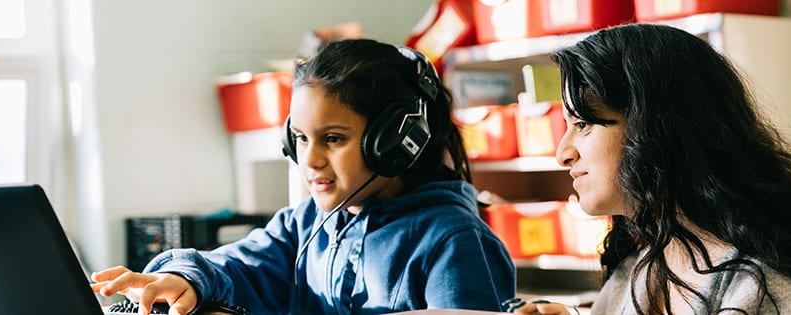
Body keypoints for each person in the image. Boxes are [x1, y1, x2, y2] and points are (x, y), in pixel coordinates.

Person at [91, 39, 517, 315]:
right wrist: (184, 278)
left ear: (395, 140)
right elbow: (239, 265)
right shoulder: (306, 225)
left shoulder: (453, 240)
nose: (308, 158)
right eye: (298, 137)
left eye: (332, 138)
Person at [509, 23, 791, 315]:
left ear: (657, 129)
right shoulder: (639, 267)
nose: (562, 154)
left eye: (583, 124)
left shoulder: (765, 289)